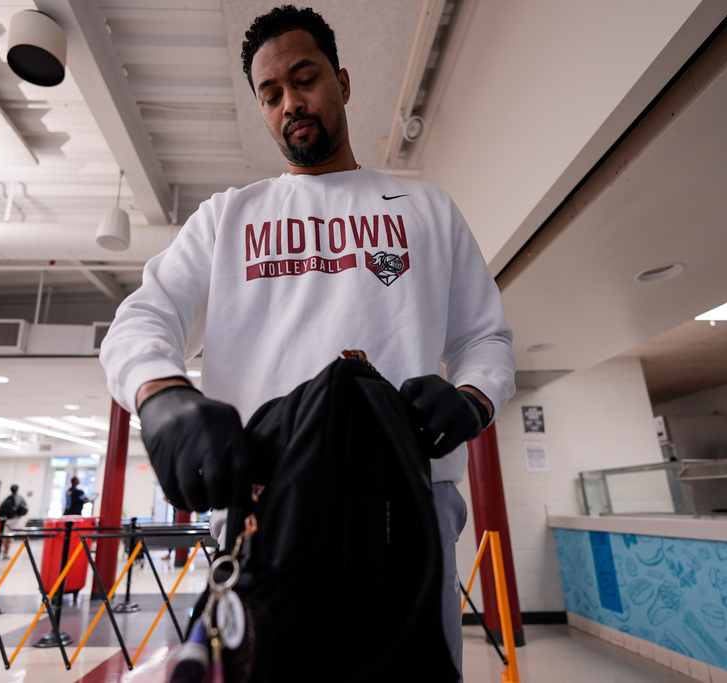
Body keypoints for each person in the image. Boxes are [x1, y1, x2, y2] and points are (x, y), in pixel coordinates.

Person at [99, 5, 515, 675]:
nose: (290, 101)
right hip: (268, 504)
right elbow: (142, 319)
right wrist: (163, 395)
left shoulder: (426, 210)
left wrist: (471, 397)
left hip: (406, 501)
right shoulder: (230, 218)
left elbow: (486, 337)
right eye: (271, 93)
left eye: (305, 78)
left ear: (343, 83)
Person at [0, 483, 28, 559]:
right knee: (10, 536)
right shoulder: (20, 498)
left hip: (7, 520)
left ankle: (4, 551)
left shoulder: (7, 498)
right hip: (15, 520)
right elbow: (25, 509)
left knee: (5, 536)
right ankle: (6, 552)